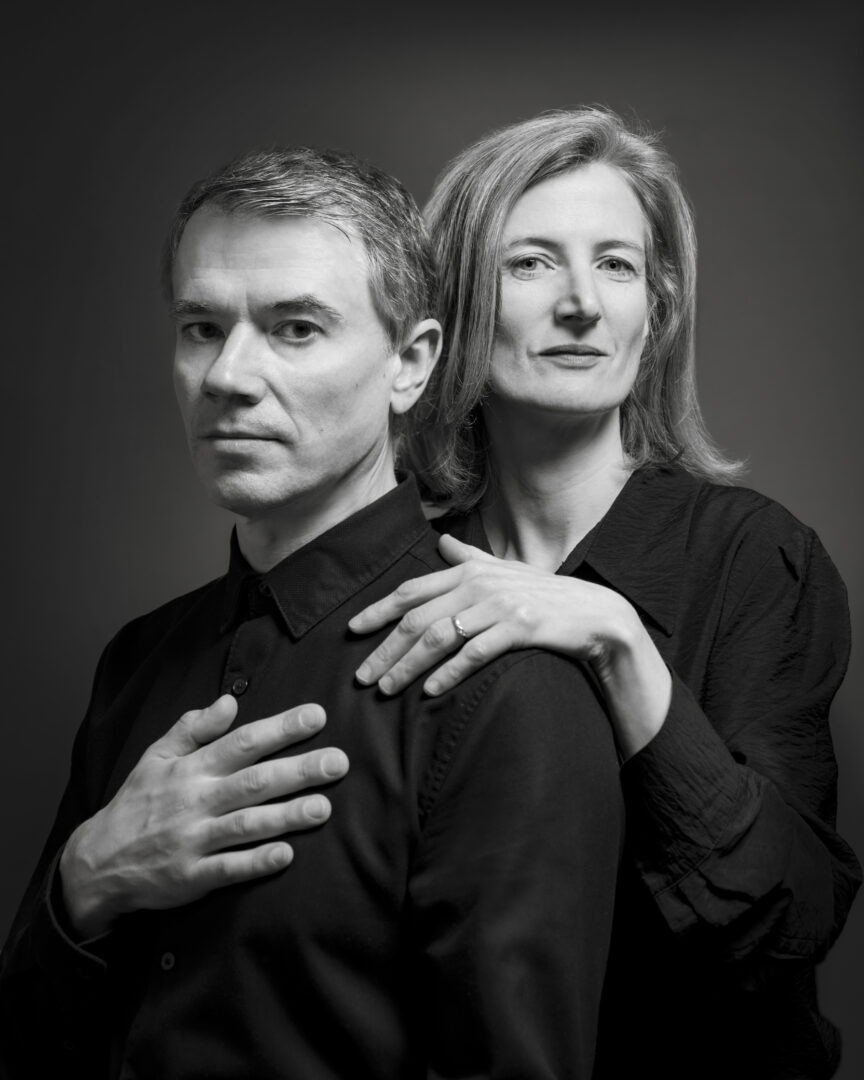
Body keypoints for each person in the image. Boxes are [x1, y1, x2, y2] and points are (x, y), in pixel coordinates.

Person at [0, 146, 624, 1079]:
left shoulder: (506, 687)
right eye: (202, 328)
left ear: (410, 364)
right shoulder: (137, 660)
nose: (227, 375)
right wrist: (84, 885)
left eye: (294, 328)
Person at [347, 108, 862, 1080]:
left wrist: (620, 644)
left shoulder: (756, 558)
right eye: (532, 263)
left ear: (655, 313)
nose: (582, 303)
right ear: (454, 306)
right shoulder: (397, 571)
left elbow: (787, 918)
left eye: (617, 266)